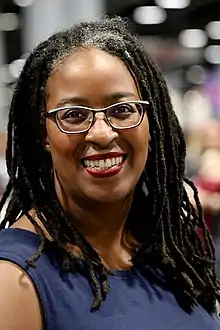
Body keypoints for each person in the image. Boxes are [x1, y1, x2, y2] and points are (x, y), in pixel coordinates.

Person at [0, 16, 219, 330]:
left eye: (122, 110)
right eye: (74, 115)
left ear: (151, 123)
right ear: (44, 135)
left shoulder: (170, 254)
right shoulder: (14, 282)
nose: (101, 134)